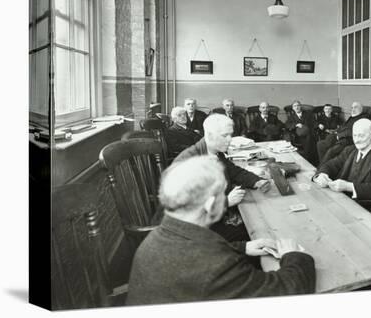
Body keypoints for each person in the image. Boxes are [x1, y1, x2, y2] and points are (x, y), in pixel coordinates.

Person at [126, 155, 316, 305]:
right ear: (210, 204)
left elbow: (198, 252)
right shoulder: (215, 265)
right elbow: (286, 292)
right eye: (222, 193)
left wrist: (243, 248)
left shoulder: (157, 237)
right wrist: (293, 256)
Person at [173, 113, 271, 241]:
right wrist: (227, 202)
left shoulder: (215, 152)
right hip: (197, 229)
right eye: (225, 135)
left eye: (230, 134)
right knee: (259, 231)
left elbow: (235, 172)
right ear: (209, 135)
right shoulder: (189, 161)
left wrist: (257, 181)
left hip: (218, 216)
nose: (230, 139)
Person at [312, 118, 371, 201]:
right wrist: (322, 174)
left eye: (361, 136)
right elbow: (331, 164)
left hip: (362, 204)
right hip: (340, 197)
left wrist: (349, 187)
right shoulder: (350, 150)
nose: (357, 140)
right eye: (354, 135)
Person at [285, 100, 317, 165]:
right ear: (293, 108)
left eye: (298, 105)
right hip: (297, 135)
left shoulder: (308, 114)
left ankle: (309, 159)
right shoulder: (291, 116)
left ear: (300, 107)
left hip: (309, 133)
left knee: (309, 138)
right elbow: (287, 125)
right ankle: (306, 159)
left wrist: (318, 125)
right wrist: (296, 125)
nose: (296, 107)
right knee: (307, 140)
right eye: (295, 106)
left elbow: (314, 122)